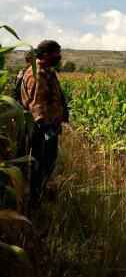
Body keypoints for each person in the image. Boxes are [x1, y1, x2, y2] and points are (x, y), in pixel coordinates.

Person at [19, 40, 69, 204]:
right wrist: (46, 127)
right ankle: (35, 198)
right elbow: (37, 103)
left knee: (45, 161)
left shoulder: (47, 71)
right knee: (41, 162)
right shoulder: (37, 73)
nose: (59, 56)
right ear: (46, 54)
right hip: (41, 128)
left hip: (47, 125)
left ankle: (38, 193)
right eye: (56, 53)